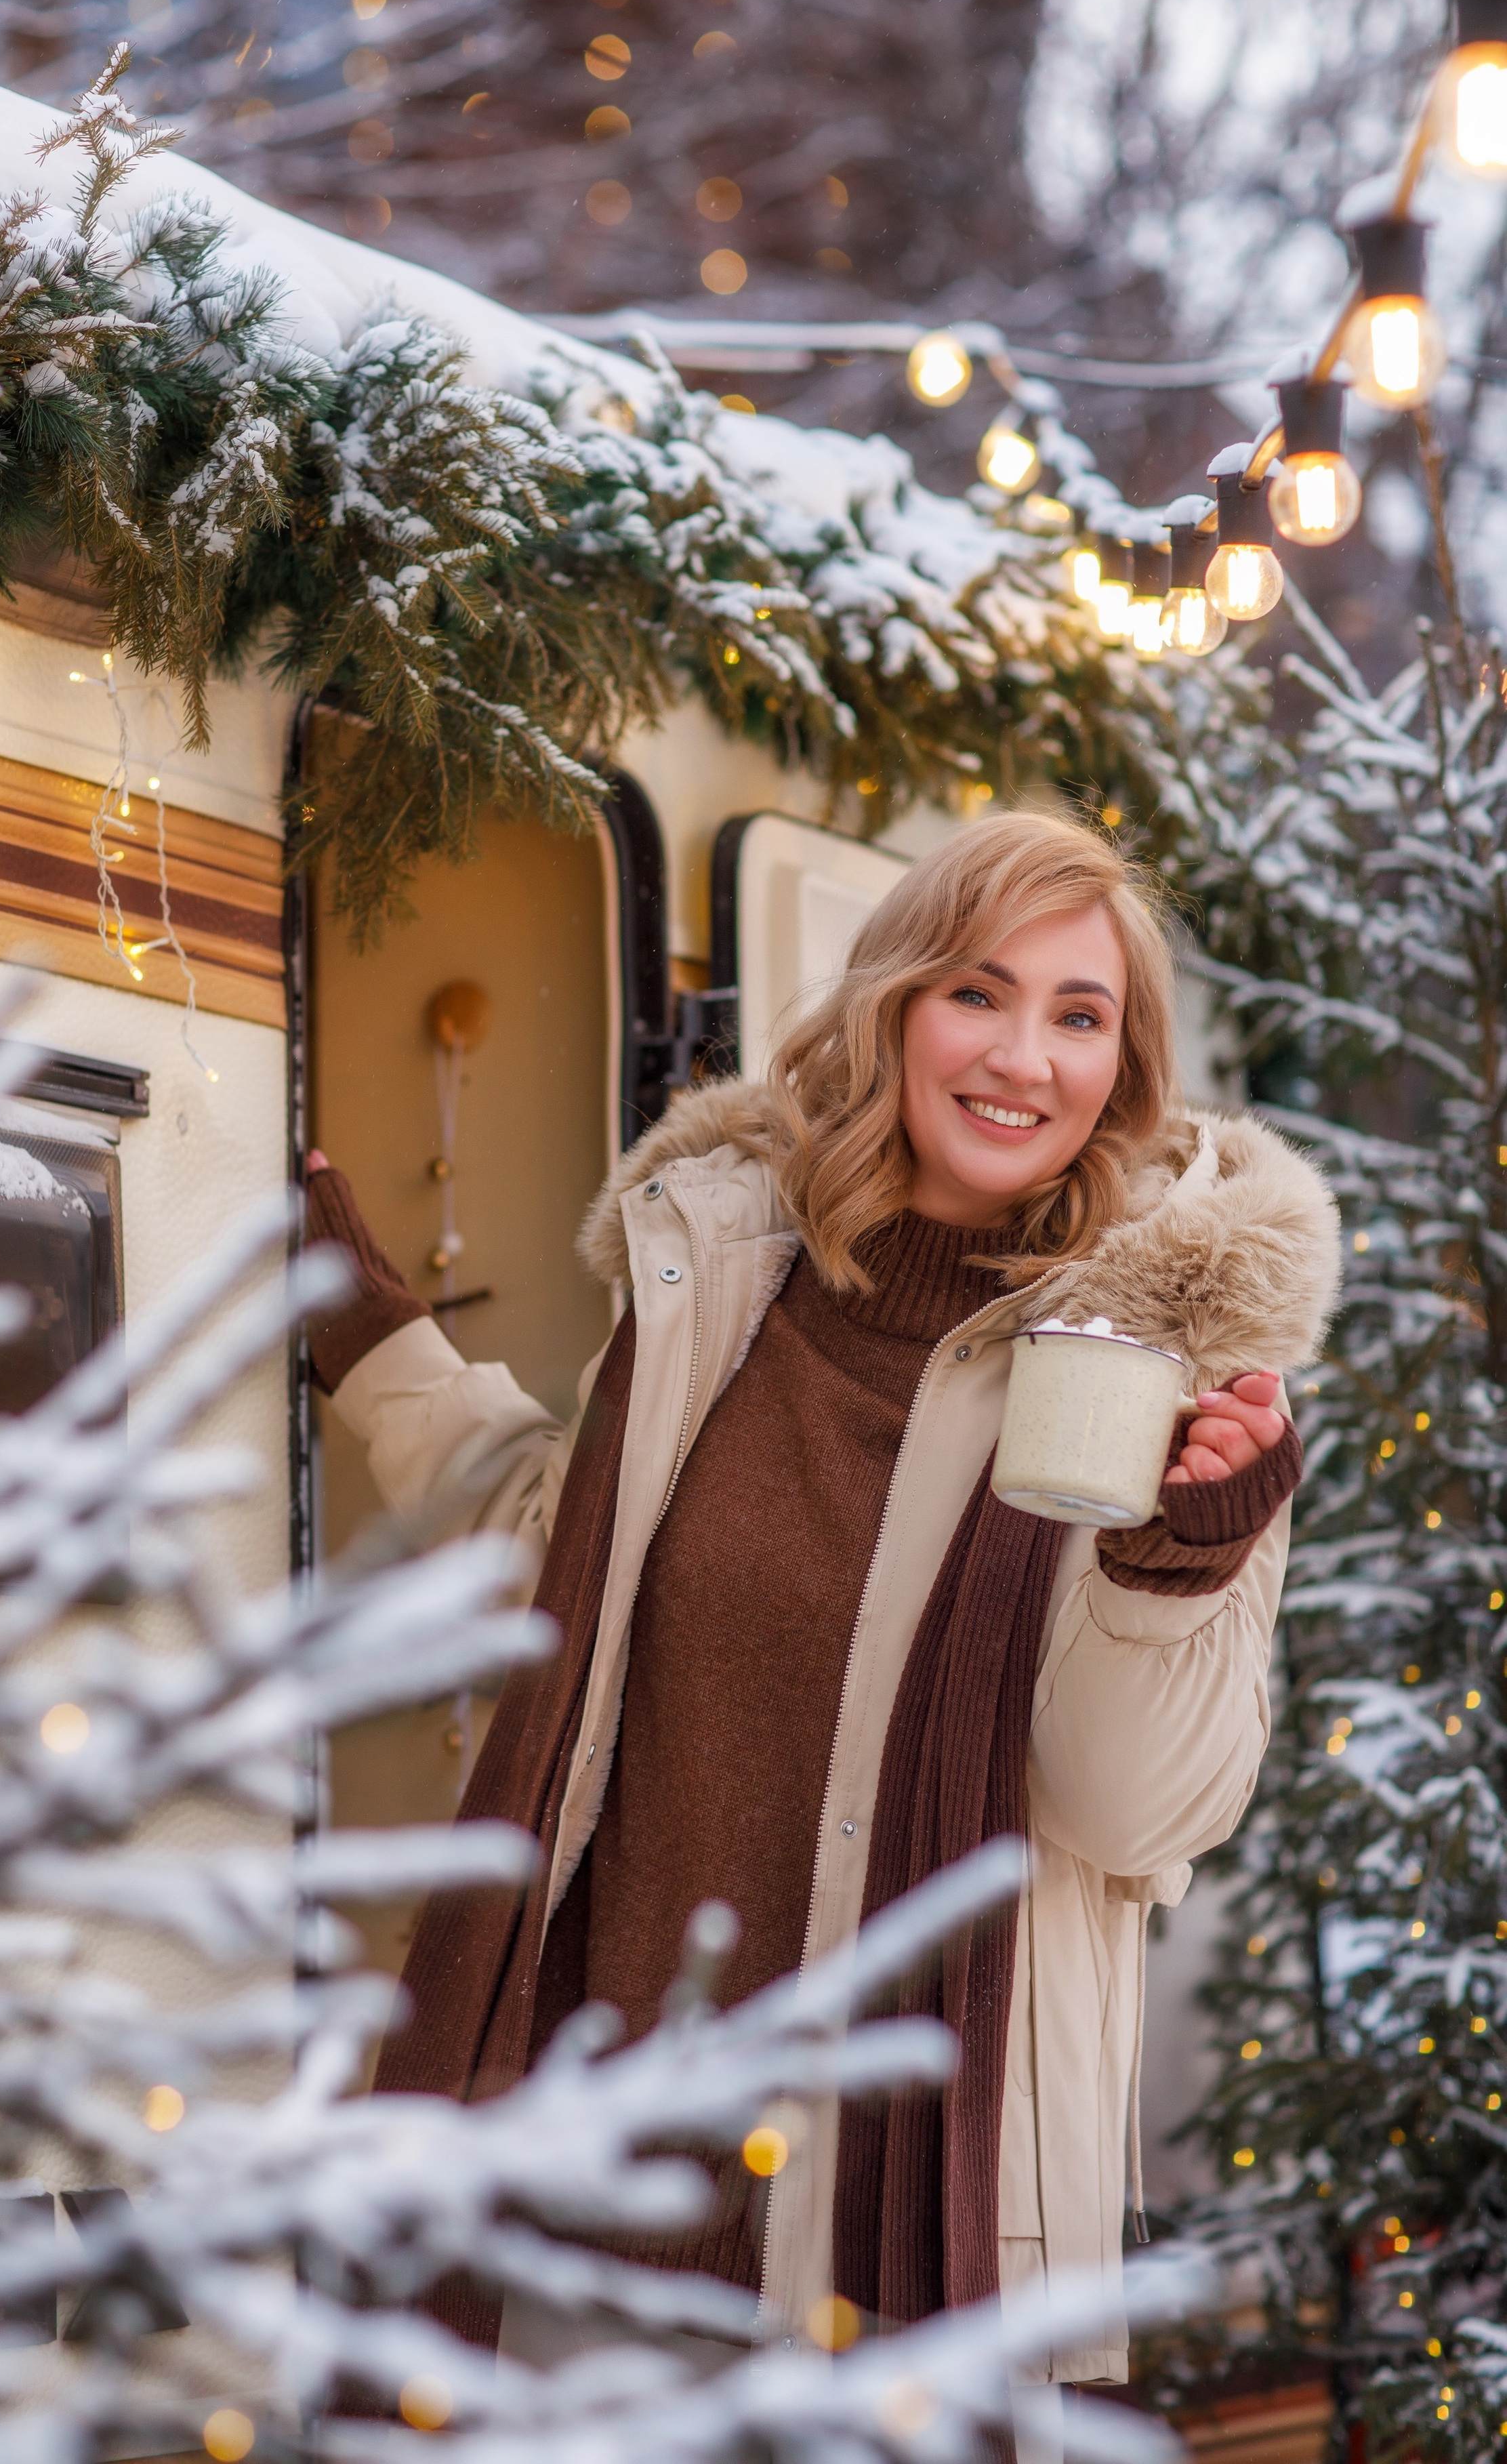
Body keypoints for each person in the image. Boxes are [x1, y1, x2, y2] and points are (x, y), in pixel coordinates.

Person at [306, 810, 1340, 2383]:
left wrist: (1178, 1554)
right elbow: (559, 1562)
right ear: (895, 1004)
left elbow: (1131, 1813)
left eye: (1078, 1018)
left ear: (1121, 1071)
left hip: (904, 2220)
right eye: (976, 994)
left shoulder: (1169, 1380)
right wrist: (372, 1341)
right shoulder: (721, 1274)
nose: (1021, 1057)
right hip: (609, 2176)